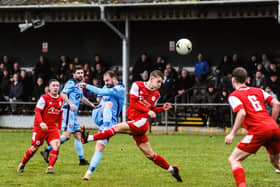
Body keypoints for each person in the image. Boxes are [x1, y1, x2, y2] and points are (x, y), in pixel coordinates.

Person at [81, 70, 182, 182]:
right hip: (135, 121)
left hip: (141, 123)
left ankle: (88, 138)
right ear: (151, 79)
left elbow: (151, 109)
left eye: (161, 82)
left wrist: (162, 108)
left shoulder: (156, 94)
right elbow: (133, 103)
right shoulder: (137, 85)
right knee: (150, 155)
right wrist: (149, 111)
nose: (160, 85)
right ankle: (172, 169)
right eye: (158, 81)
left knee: (115, 128)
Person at [225, 67, 280, 187]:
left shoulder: (234, 96)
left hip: (258, 130)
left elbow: (242, 113)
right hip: (273, 128)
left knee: (234, 159)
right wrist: (272, 122)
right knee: (276, 163)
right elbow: (276, 103)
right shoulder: (258, 90)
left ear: (233, 80)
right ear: (246, 79)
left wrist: (232, 133)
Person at [40, 66, 94, 165]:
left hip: (73, 113)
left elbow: (82, 98)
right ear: (74, 74)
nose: (80, 74)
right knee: (66, 136)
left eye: (82, 73)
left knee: (78, 135)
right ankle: (47, 150)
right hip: (68, 112)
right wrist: (70, 103)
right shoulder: (71, 83)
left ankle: (81, 160)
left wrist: (91, 104)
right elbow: (63, 94)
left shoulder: (79, 85)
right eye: (78, 73)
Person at [80, 70, 125, 180]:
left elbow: (102, 92)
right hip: (99, 114)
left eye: (108, 80)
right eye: (104, 81)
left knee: (99, 147)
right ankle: (104, 130)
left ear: (114, 79)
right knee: (108, 104)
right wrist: (101, 101)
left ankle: (88, 173)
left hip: (111, 121)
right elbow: (99, 97)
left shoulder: (120, 89)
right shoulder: (106, 87)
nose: (106, 83)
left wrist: (87, 86)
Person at [17, 79, 63, 174]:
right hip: (40, 128)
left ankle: (50, 168)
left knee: (56, 145)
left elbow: (60, 113)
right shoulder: (44, 98)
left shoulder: (61, 100)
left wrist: (60, 126)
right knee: (34, 149)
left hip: (52, 128)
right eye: (53, 86)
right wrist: (41, 123)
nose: (55, 87)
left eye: (57, 86)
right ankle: (22, 164)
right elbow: (37, 111)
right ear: (49, 88)